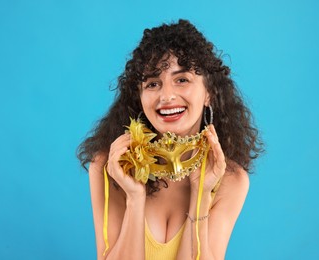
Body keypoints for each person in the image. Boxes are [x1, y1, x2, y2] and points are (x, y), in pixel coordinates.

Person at [77, 19, 263, 260]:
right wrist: (134, 198)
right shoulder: (108, 166)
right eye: (153, 83)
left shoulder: (230, 180)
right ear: (140, 97)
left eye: (182, 79)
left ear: (209, 93)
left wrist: (200, 196)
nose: (166, 96)